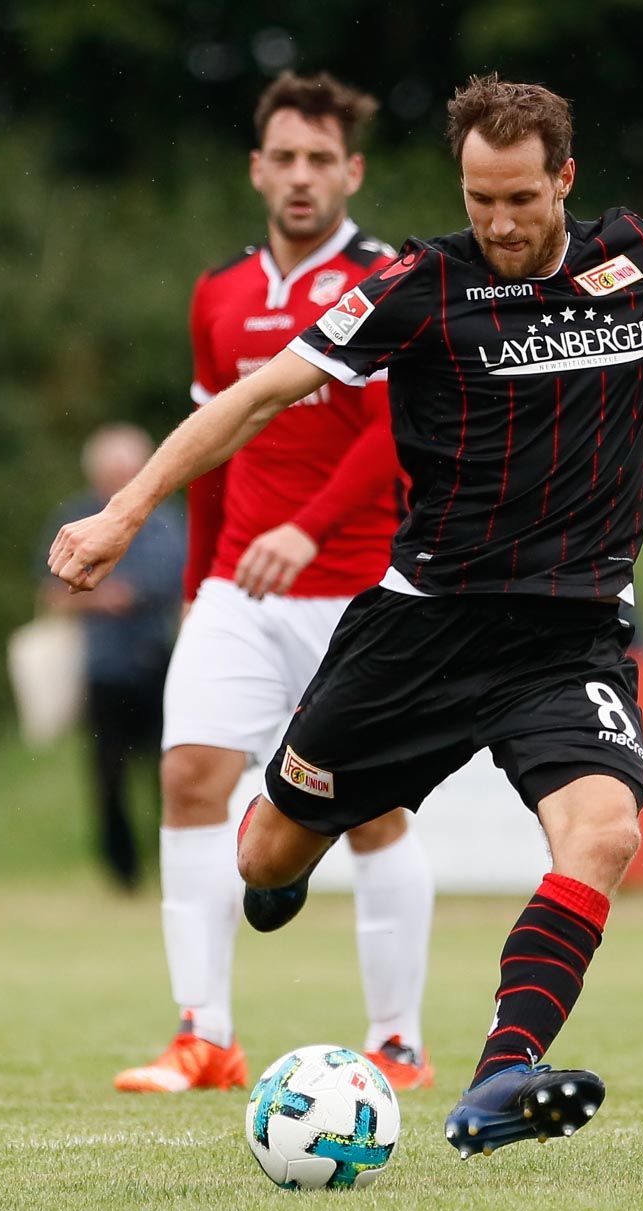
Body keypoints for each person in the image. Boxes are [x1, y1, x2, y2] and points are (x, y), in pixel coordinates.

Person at [51, 75, 643, 1153]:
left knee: (604, 833)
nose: (502, 224)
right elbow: (255, 395)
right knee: (268, 857)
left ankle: (499, 1075)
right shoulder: (417, 283)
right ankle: (286, 858)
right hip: (420, 630)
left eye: (521, 198)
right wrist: (123, 509)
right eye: (481, 200)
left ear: (565, 178)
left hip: (568, 638)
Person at [111, 72, 438, 1097]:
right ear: (257, 169)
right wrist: (199, 581)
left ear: (354, 171)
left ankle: (397, 1042)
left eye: (320, 160)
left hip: (359, 590)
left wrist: (310, 525)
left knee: (372, 811)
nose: (301, 178)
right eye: (283, 158)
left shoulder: (394, 278)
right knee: (189, 779)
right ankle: (203, 1035)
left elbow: (396, 433)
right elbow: (215, 444)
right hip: (238, 589)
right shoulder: (220, 293)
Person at [38, 423, 184, 892]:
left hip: (160, 661)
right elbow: (51, 596)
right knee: (108, 775)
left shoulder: (167, 519)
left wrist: (138, 595)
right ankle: (122, 870)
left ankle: (173, 861)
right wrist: (100, 601)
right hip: (104, 667)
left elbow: (182, 582)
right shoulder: (73, 517)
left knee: (172, 771)